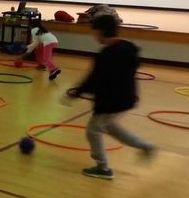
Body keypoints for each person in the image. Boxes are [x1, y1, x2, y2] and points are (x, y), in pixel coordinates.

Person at [67, 14, 156, 180]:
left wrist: (77, 93)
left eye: (94, 32)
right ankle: (145, 146)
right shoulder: (128, 47)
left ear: (100, 32)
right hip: (127, 98)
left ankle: (103, 168)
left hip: (111, 101)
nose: (93, 36)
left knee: (93, 130)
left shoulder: (106, 54)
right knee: (110, 127)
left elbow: (94, 79)